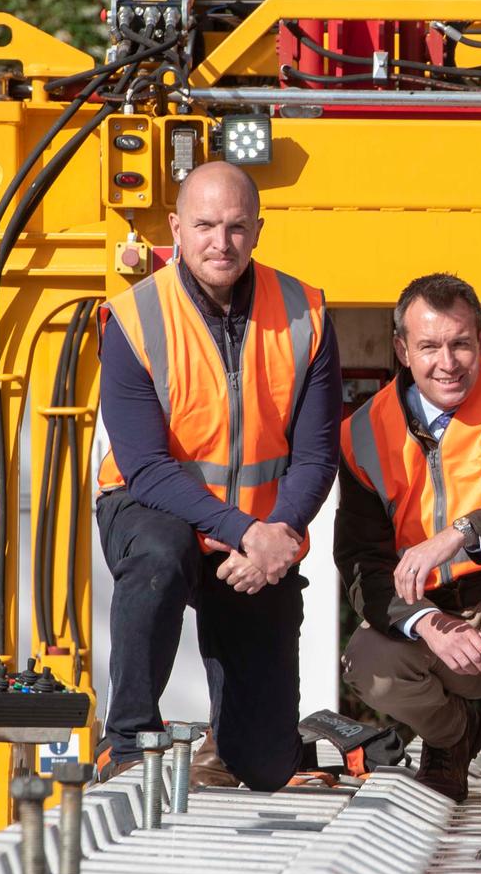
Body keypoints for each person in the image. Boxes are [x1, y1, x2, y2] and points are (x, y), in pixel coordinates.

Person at [93, 162, 340, 793]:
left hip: (257, 538)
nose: (219, 243)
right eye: (203, 225)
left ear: (258, 229)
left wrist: (276, 536)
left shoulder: (306, 312)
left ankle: (226, 746)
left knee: (264, 766)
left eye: (235, 227)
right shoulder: (131, 318)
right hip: (156, 511)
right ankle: (125, 743)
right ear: (175, 228)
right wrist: (246, 530)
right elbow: (146, 468)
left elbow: (315, 457)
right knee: (160, 552)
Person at [336, 274, 481, 807]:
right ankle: (451, 739)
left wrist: (460, 535)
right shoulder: (360, 434)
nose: (447, 362)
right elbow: (360, 563)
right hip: (434, 630)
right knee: (366, 660)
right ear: (401, 349)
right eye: (428, 346)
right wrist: (426, 621)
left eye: (460, 343)